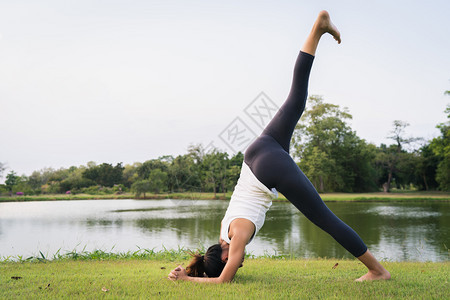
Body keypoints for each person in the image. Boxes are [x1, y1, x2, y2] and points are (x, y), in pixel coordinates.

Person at [168, 10, 391, 283]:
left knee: (325, 218)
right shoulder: (223, 232)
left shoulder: (236, 237)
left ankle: (378, 271)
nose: (239, 264)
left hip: (267, 170)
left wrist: (189, 280)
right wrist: (188, 269)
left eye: (235, 265)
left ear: (226, 258)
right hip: (257, 151)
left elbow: (222, 281)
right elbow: (209, 263)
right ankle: (317, 30)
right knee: (296, 99)